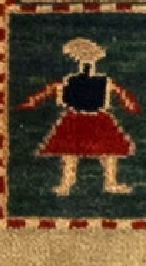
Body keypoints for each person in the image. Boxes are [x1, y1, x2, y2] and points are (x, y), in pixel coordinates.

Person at [19, 37, 139, 196]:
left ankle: (74, 184)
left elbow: (53, 90)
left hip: (83, 118)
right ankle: (80, 183)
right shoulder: (92, 81)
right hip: (89, 119)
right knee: (87, 152)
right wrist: (129, 105)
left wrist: (34, 100)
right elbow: (120, 94)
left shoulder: (77, 81)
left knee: (88, 152)